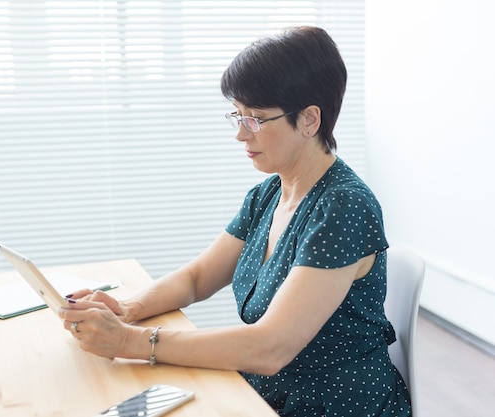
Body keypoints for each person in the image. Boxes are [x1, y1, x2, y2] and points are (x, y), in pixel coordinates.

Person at [59, 26, 412, 417]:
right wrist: (128, 308)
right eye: (237, 116)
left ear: (310, 119)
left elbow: (270, 347)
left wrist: (130, 342)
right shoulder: (269, 194)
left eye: (256, 119)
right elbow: (197, 278)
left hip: (332, 405)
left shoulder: (343, 207)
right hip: (262, 393)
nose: (241, 135)